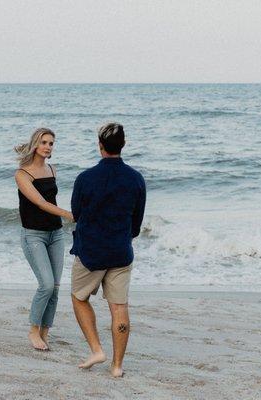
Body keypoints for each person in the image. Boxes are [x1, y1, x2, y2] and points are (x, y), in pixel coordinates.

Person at [70, 122, 146, 377]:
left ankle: (96, 349)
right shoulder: (136, 179)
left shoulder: (85, 178)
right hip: (121, 252)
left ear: (100, 146)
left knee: (79, 297)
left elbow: (77, 214)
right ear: (123, 145)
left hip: (91, 252)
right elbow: (136, 223)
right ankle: (117, 366)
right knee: (119, 306)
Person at [14, 127, 74, 351]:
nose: (48, 147)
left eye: (51, 143)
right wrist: (70, 215)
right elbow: (40, 203)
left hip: (56, 234)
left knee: (56, 287)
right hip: (34, 235)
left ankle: (45, 332)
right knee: (46, 285)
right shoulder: (22, 174)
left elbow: (50, 199)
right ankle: (33, 330)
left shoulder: (52, 170)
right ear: (35, 144)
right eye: (44, 142)